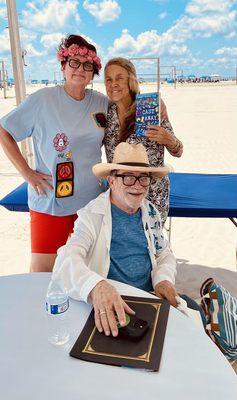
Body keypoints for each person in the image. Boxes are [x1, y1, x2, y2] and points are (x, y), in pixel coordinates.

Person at [52, 142, 187, 337]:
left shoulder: (150, 211)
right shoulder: (93, 214)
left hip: (149, 298)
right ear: (112, 181)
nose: (137, 186)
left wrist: (163, 279)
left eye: (143, 178)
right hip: (111, 303)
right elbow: (65, 259)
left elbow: (163, 253)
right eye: (128, 177)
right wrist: (96, 286)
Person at [0, 34, 108, 273]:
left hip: (91, 204)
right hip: (51, 202)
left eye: (87, 65)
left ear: (93, 72)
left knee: (87, 271)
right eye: (74, 62)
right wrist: (26, 172)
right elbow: (4, 130)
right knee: (42, 274)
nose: (80, 69)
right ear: (63, 65)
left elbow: (129, 112)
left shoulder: (102, 103)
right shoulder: (43, 99)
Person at [103, 57, 183, 225]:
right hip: (119, 199)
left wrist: (169, 140)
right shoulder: (105, 114)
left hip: (151, 197)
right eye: (108, 79)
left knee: (151, 247)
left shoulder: (150, 107)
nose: (113, 84)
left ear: (131, 81)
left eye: (119, 78)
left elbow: (178, 151)